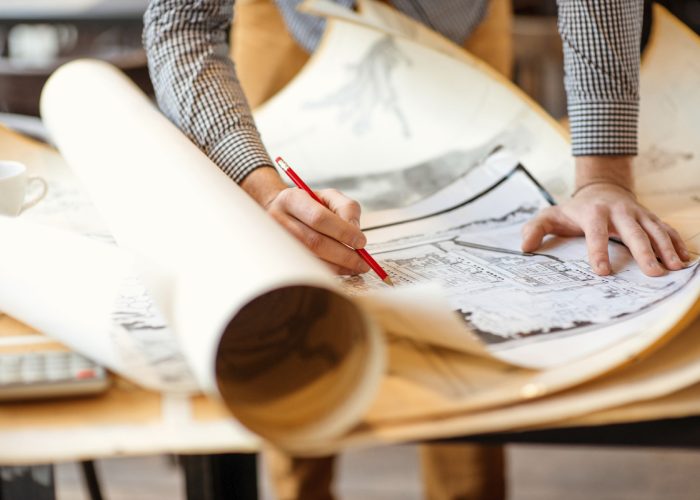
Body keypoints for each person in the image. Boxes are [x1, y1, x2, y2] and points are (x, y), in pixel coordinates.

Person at [143, 1, 689, 498]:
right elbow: (181, 22)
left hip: (459, 26)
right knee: (295, 310)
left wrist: (603, 174)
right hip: (292, 23)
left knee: (469, 373)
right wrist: (262, 188)